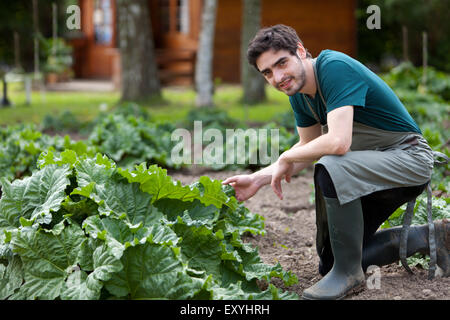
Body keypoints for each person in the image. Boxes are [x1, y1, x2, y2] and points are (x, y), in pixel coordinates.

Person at [222, 24, 449, 300]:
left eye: (281, 63)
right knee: (330, 262)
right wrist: (257, 179)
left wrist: (285, 156)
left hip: (408, 158)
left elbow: (338, 143)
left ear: (301, 51)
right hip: (372, 166)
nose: (278, 77)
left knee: (332, 164)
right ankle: (428, 237)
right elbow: (307, 147)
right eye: (267, 72)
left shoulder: (333, 67)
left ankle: (350, 276)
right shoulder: (299, 93)